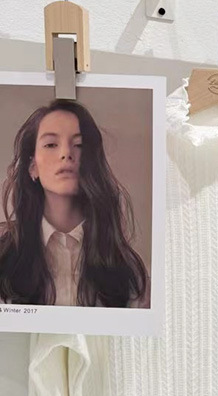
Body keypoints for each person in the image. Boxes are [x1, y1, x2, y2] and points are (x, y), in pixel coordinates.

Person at [0, 98, 149, 308]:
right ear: (33, 167)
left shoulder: (128, 270)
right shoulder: (5, 258)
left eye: (79, 145)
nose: (66, 154)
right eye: (51, 144)